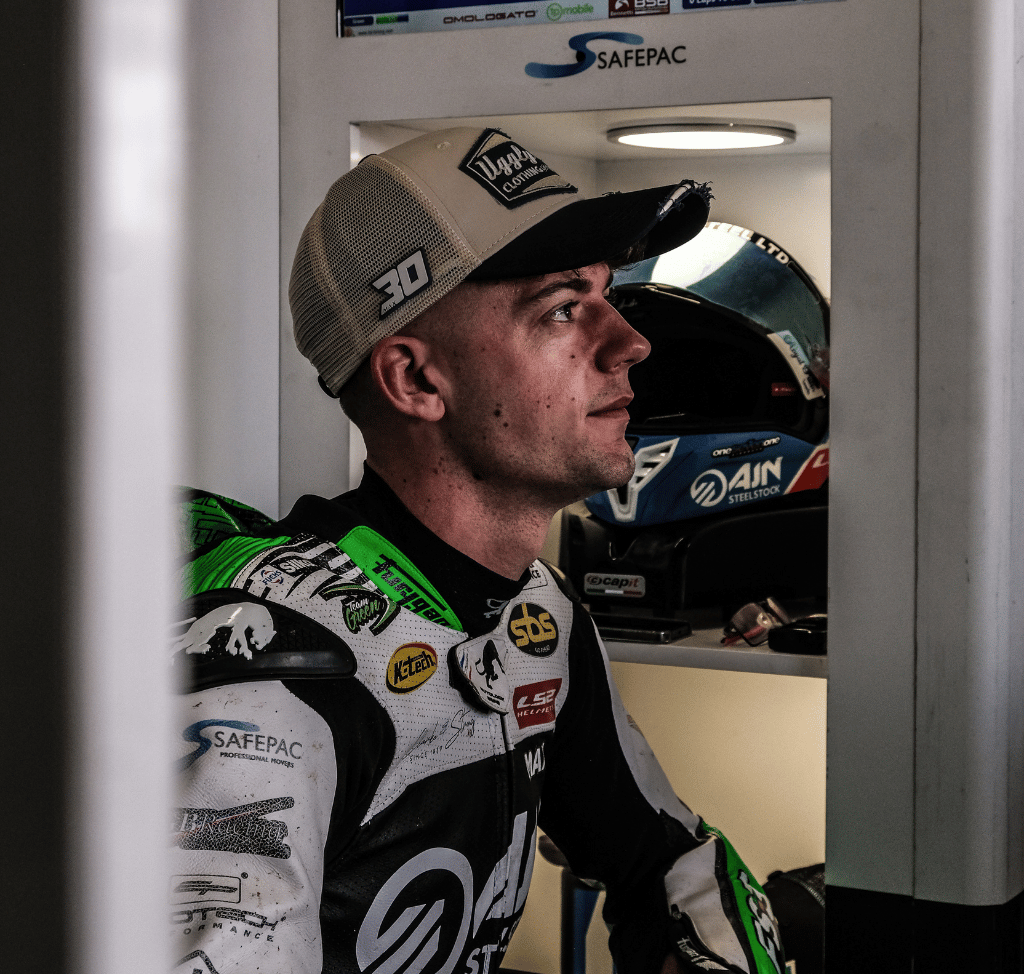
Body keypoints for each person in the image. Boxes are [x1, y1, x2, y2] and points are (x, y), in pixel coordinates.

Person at [171, 127, 784, 974]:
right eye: (563, 309)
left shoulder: (538, 611)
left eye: (609, 296)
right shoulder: (277, 682)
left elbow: (669, 864)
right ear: (416, 381)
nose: (630, 343)